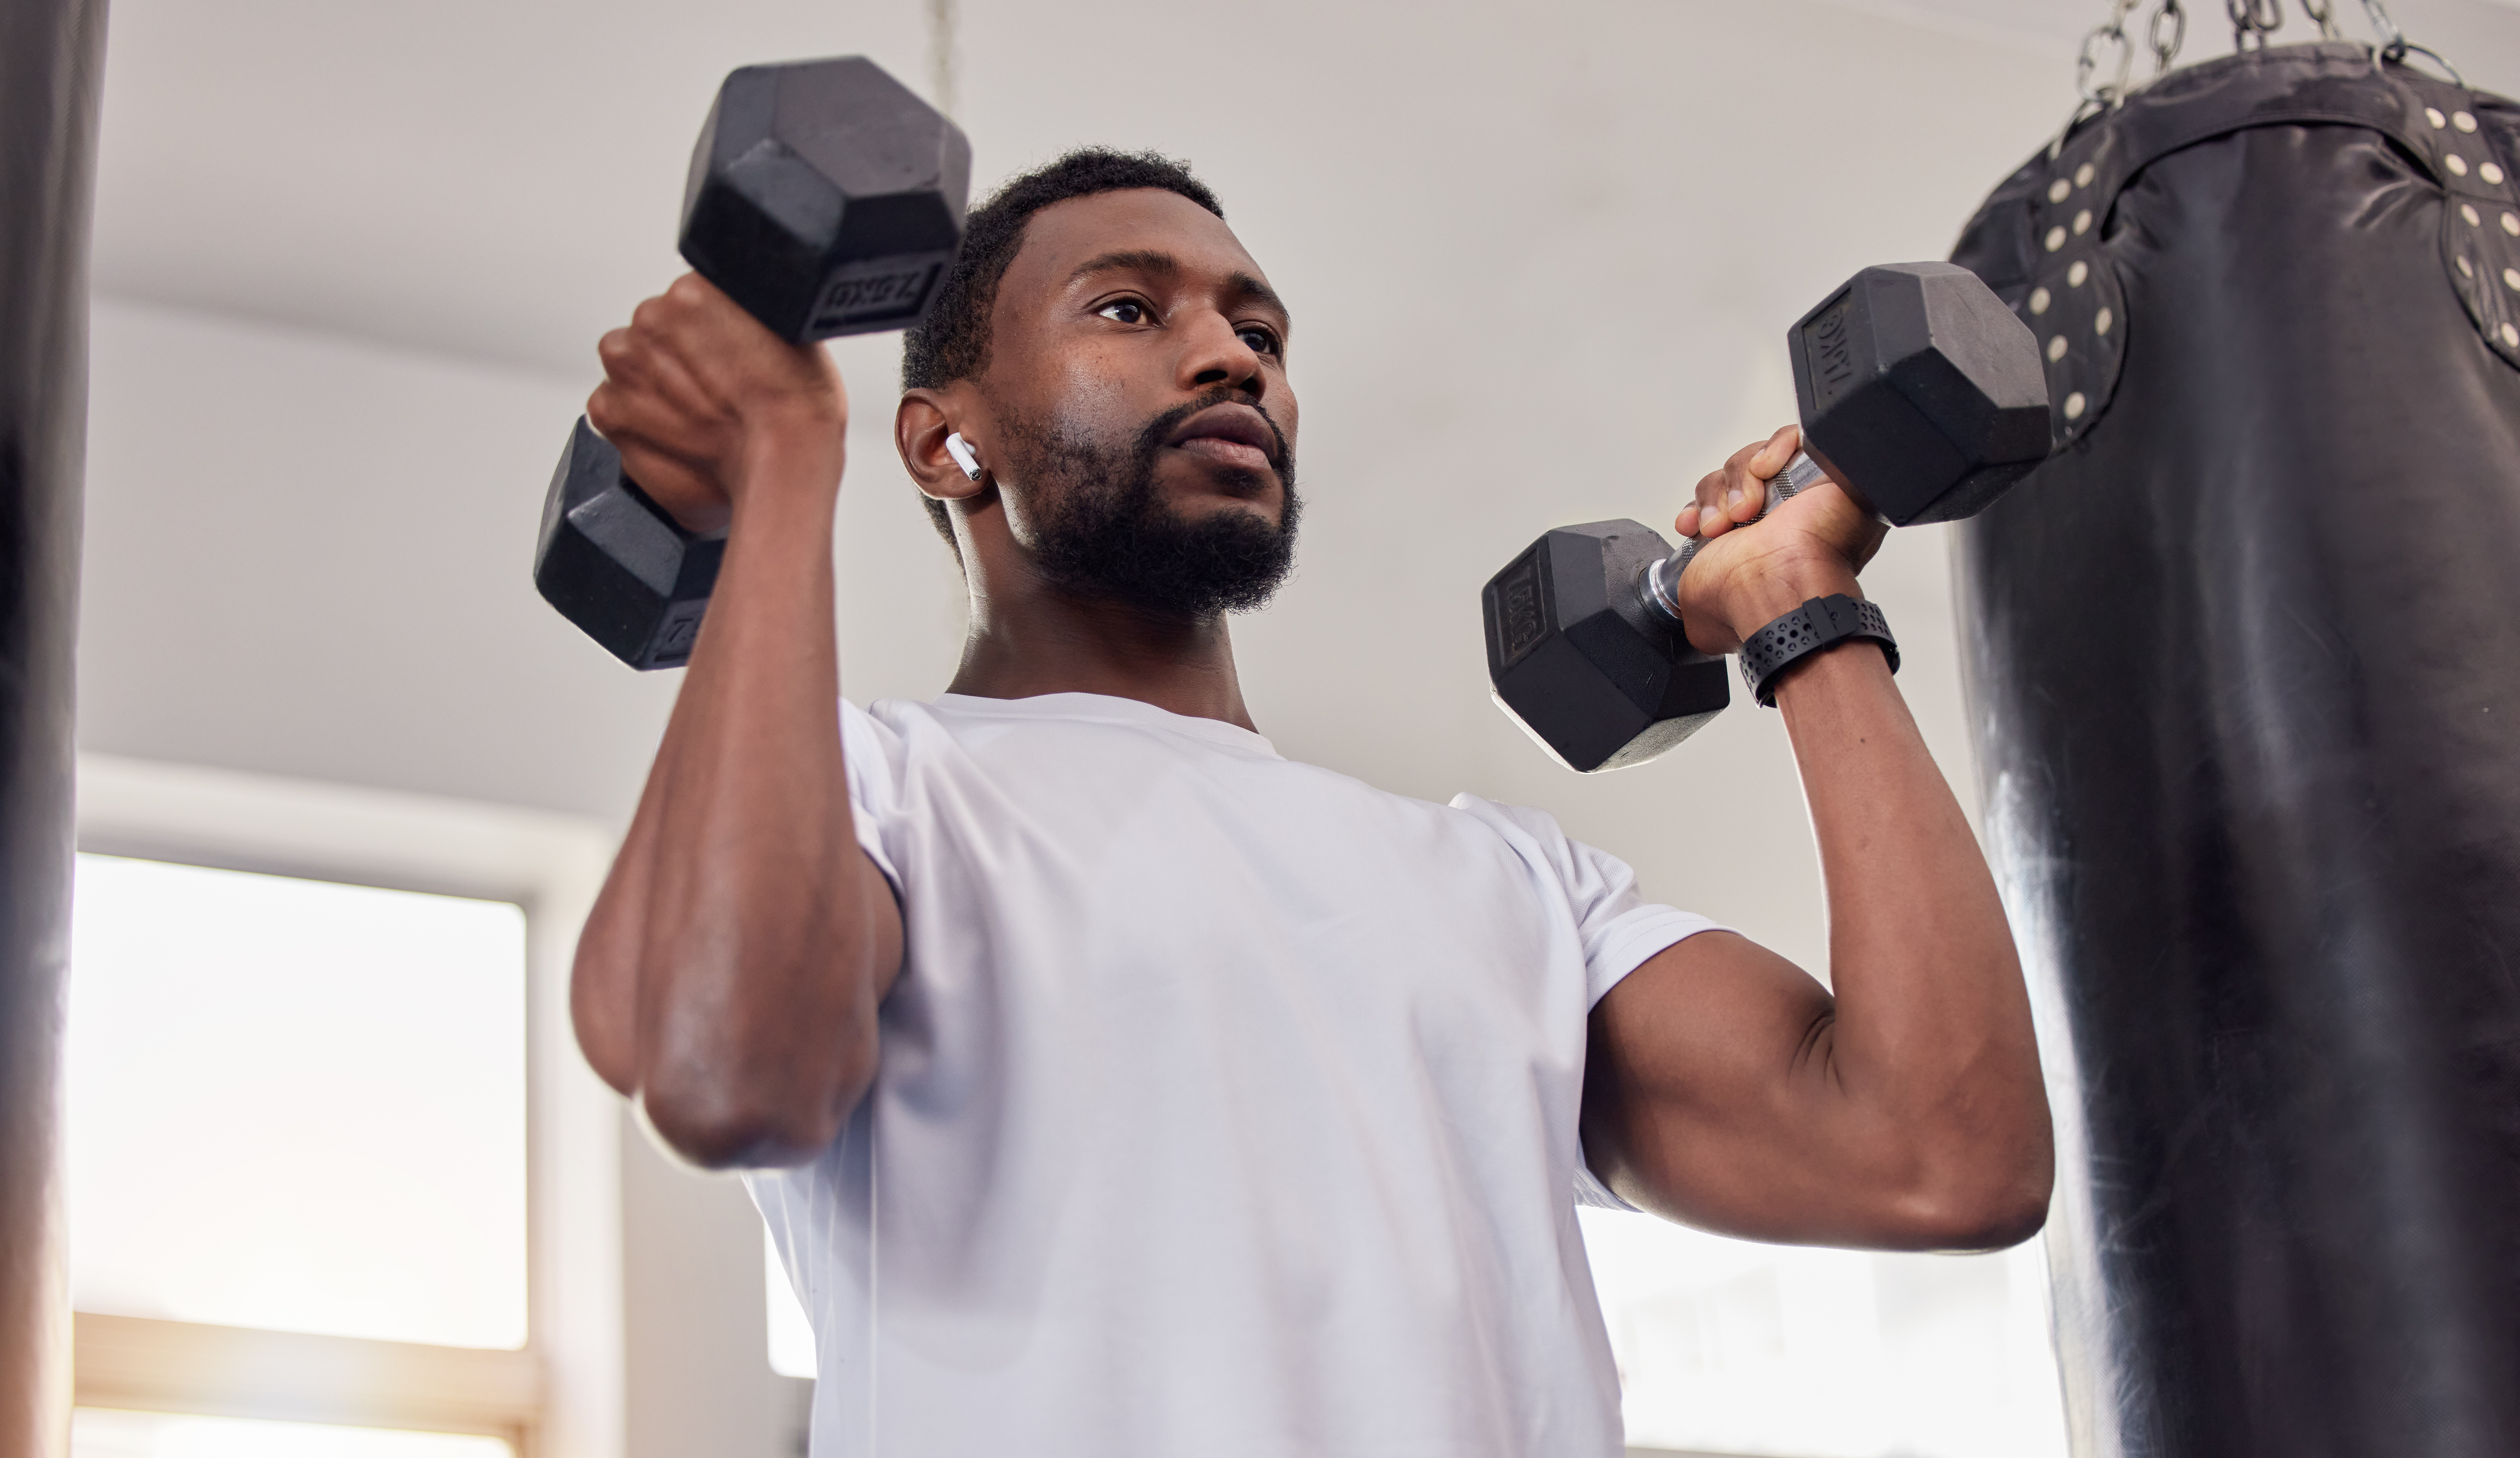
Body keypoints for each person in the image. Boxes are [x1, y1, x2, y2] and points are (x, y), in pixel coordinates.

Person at [568, 148, 2052, 1458]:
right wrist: (779, 474)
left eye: (1258, 328)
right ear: (943, 439)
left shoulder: (1513, 890)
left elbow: (1943, 1154)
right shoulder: (878, 791)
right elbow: (725, 1073)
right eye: (1130, 309)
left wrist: (1803, 608)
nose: (1230, 357)